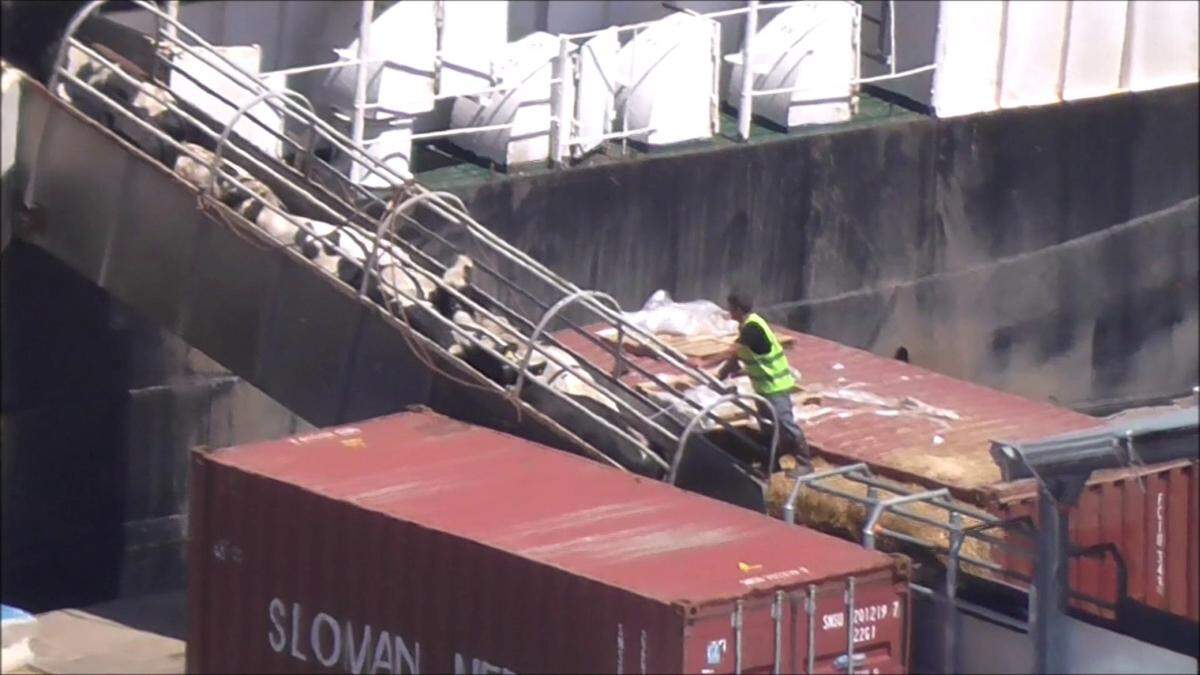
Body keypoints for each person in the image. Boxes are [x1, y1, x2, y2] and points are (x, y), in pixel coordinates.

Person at [716, 291, 811, 473]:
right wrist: (723, 373)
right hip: (763, 387)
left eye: (730, 308)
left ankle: (805, 463)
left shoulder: (753, 328)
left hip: (775, 386)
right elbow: (736, 356)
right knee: (768, 427)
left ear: (736, 309)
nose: (729, 312)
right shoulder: (745, 327)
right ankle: (772, 464)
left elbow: (733, 350)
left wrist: (702, 363)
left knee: (785, 425)